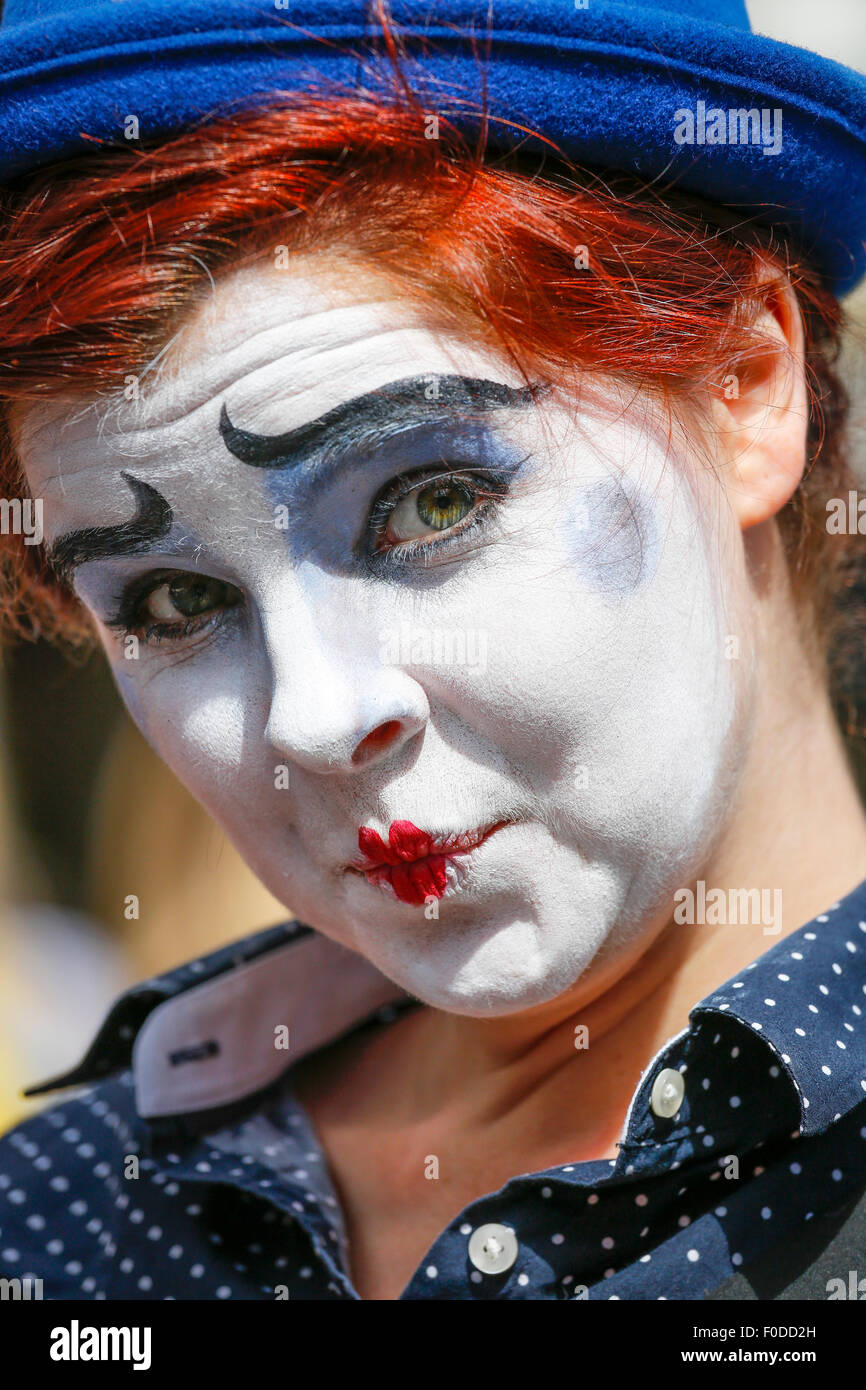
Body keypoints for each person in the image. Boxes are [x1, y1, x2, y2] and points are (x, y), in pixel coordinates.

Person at [0, 0, 865, 1302]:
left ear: (745, 383)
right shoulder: (59, 1218)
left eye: (430, 502)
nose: (312, 715)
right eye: (175, 600)